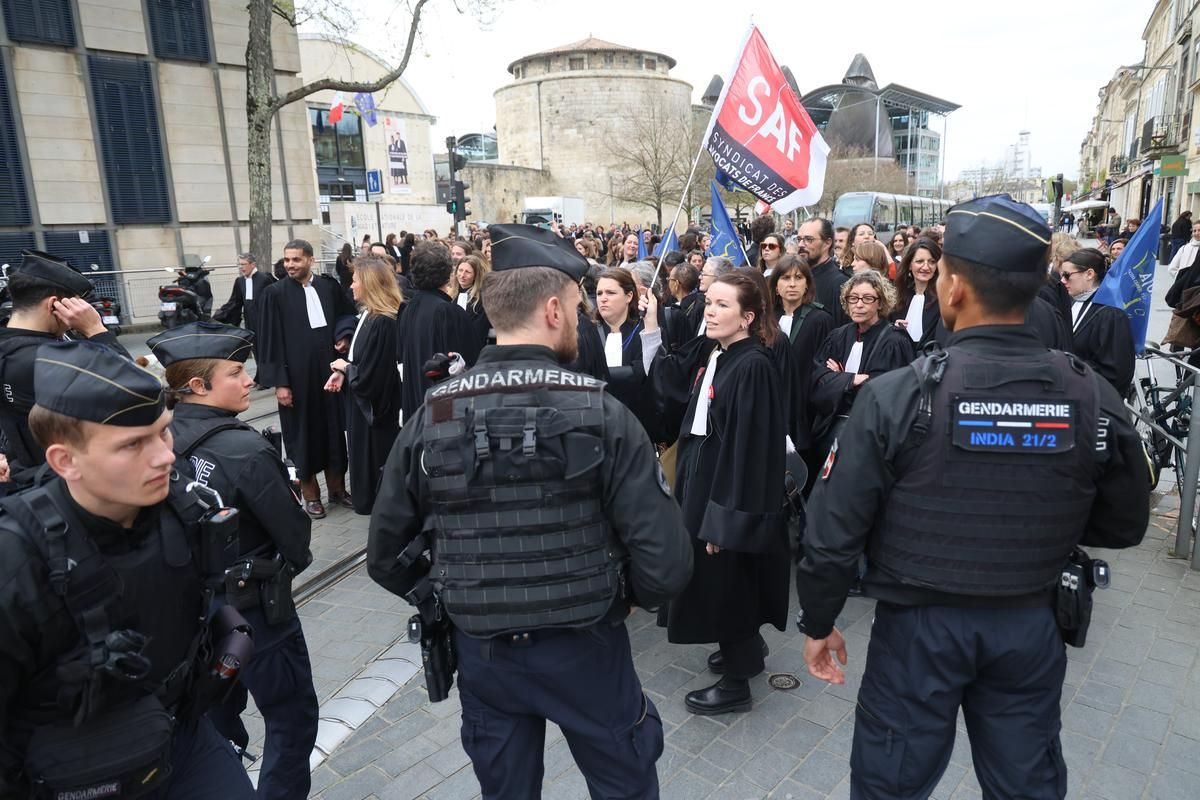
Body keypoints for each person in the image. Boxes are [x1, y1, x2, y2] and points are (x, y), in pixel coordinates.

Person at [796, 194, 1149, 799]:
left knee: (890, 784)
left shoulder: (897, 396)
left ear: (954, 287)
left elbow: (833, 531)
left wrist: (820, 620)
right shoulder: (1090, 395)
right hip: (1029, 624)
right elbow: (1124, 523)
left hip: (917, 631)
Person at [367, 223, 693, 799]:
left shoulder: (433, 415)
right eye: (575, 304)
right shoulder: (603, 413)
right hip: (587, 644)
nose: (580, 316)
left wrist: (452, 591)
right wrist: (618, 597)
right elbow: (665, 562)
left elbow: (385, 553)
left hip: (485, 653)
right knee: (624, 783)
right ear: (551, 309)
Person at [0, 340, 258, 798]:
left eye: (163, 431)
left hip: (182, 742)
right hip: (75, 777)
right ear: (64, 461)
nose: (164, 456)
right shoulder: (16, 562)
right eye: (133, 444)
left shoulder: (183, 509)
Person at [150, 321, 318, 800]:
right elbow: (297, 542)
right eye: (237, 372)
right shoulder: (244, 448)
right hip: (257, 616)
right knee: (291, 719)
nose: (249, 381)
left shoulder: (158, 440)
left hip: (191, 618)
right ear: (199, 386)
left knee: (211, 717)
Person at [641, 272, 789, 715]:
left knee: (726, 575)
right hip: (704, 482)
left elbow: (749, 450)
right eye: (709, 301)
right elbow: (670, 381)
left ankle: (737, 682)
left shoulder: (754, 366)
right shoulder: (718, 351)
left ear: (747, 316)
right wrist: (651, 324)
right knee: (717, 576)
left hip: (726, 490)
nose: (710, 310)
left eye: (722, 305)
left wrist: (725, 517)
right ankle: (746, 648)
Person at [0, 250, 129, 476]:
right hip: (71, 479)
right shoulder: (58, 357)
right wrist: (96, 330)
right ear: (54, 305)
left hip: (23, 473)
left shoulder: (10, 347)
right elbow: (136, 393)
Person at [256, 238, 356, 518]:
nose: (290, 265)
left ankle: (337, 489)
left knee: (334, 431)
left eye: (296, 259)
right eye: (287, 260)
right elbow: (269, 342)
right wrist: (280, 383)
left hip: (330, 373)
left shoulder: (328, 286)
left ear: (310, 259)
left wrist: (343, 337)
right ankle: (311, 495)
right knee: (302, 436)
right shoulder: (274, 294)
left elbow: (347, 317)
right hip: (296, 380)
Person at [325, 256, 404, 514]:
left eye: (356, 281)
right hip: (360, 405)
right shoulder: (368, 315)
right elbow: (360, 360)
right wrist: (344, 372)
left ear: (369, 284)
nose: (351, 286)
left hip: (375, 411)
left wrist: (346, 368)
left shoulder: (383, 321)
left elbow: (374, 376)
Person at [810, 270, 913, 455]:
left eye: (867, 298)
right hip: (833, 433)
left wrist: (839, 379)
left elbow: (888, 390)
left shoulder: (895, 342)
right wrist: (850, 380)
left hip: (873, 438)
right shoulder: (838, 336)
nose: (858, 304)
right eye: (853, 298)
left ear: (880, 302)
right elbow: (818, 382)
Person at [395, 240, 481, 424]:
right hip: (443, 418)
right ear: (448, 273)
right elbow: (470, 366)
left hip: (416, 413)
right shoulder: (448, 312)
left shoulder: (408, 309)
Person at [768, 255, 834, 454]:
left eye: (798, 278)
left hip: (804, 410)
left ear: (807, 284)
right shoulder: (768, 317)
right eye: (786, 278)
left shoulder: (819, 319)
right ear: (776, 285)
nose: (792, 284)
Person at [593, 268, 663, 443]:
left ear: (629, 296)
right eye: (599, 293)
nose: (603, 298)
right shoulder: (588, 332)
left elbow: (648, 371)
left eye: (610, 292)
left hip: (636, 426)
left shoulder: (644, 331)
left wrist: (601, 375)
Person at [1060, 248, 1136, 395]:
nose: (1063, 280)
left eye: (1067, 275)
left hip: (1091, 398)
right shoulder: (1070, 300)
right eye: (1061, 275)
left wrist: (1070, 371)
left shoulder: (1111, 313)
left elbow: (1115, 371)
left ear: (1089, 274)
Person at [213, 253, 276, 382]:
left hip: (265, 321)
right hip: (250, 321)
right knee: (255, 349)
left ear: (253, 264)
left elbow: (273, 299)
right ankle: (262, 376)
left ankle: (264, 378)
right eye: (239, 264)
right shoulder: (240, 281)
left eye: (243, 264)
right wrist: (220, 315)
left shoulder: (264, 279)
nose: (241, 267)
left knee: (265, 348)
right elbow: (235, 302)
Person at [797, 218, 851, 327]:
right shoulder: (797, 277)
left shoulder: (840, 283)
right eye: (799, 239)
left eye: (808, 239)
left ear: (827, 243)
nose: (801, 245)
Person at [893, 237, 944, 350]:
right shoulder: (899, 296)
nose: (926, 267)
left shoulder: (943, 299)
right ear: (910, 265)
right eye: (919, 261)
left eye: (932, 262)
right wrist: (894, 328)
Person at [454, 253, 492, 347]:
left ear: (476, 275)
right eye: (460, 270)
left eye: (467, 272)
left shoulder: (480, 300)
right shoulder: (452, 294)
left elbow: (478, 331)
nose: (462, 275)